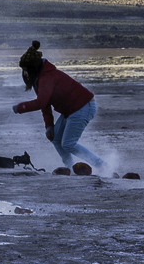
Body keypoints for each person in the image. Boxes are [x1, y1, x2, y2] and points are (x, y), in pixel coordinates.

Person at [11, 40, 106, 172]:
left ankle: (100, 165)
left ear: (33, 68)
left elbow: (41, 102)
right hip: (71, 110)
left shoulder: (47, 77)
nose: (25, 74)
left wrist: (20, 108)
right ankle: (70, 169)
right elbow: (45, 104)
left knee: (68, 144)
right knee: (56, 139)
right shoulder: (39, 79)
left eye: (26, 70)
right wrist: (49, 126)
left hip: (83, 106)